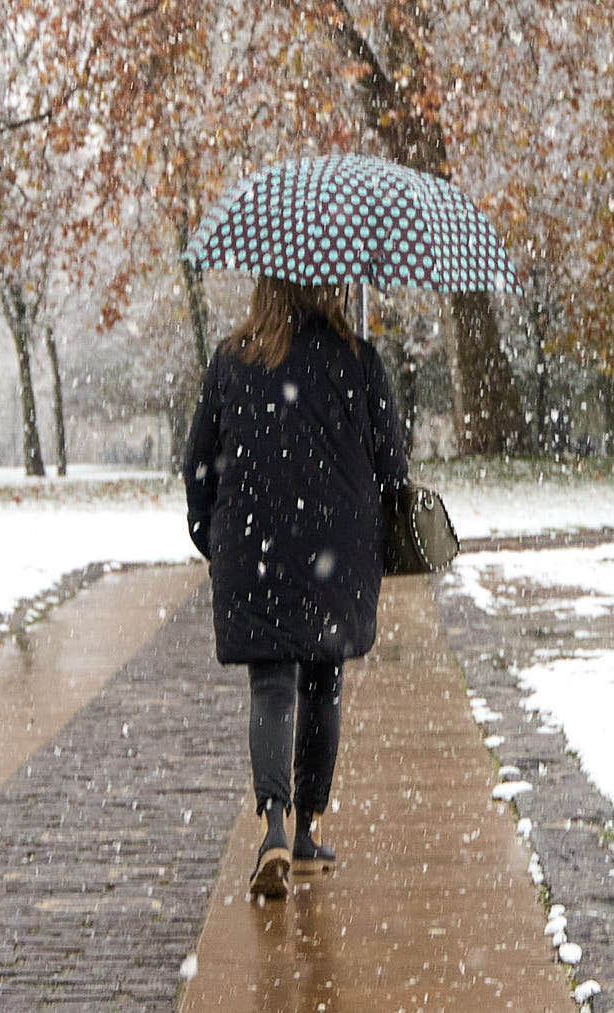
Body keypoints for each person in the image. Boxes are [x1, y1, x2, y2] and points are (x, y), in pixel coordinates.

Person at [182, 276, 407, 900]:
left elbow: (199, 462)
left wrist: (213, 534)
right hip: (336, 546)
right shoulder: (357, 360)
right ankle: (308, 828)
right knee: (323, 684)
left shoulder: (233, 359)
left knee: (272, 684)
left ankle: (272, 823)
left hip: (254, 544)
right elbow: (394, 465)